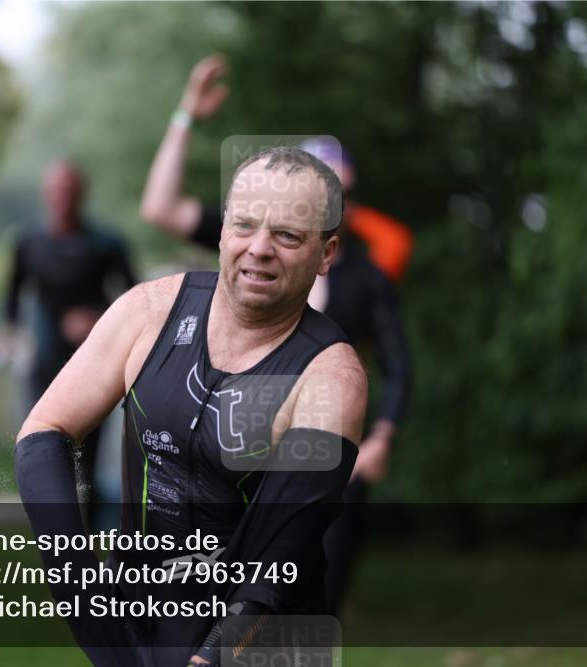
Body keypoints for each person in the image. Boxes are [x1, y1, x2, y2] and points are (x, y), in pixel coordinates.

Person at [15, 147, 367, 666]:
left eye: (288, 235)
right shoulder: (148, 311)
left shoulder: (332, 379)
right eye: (245, 225)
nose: (260, 248)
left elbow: (278, 563)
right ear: (223, 230)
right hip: (134, 618)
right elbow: (44, 429)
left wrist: (208, 659)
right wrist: (80, 584)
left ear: (325, 253)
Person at [139, 54, 412, 612]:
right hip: (236, 447)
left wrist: (380, 437)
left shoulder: (362, 277)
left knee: (307, 601)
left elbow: (399, 363)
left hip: (321, 452)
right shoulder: (249, 241)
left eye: (344, 197)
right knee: (214, 604)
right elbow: (160, 207)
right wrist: (185, 117)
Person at [0, 160, 136, 506]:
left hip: (94, 365)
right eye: (57, 191)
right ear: (47, 195)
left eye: (70, 191)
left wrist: (98, 319)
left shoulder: (106, 243)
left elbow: (137, 301)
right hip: (44, 362)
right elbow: (12, 297)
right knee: (44, 451)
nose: (63, 198)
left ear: (82, 195)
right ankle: (57, 540)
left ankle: (85, 541)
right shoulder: (28, 243)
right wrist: (8, 335)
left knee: (83, 460)